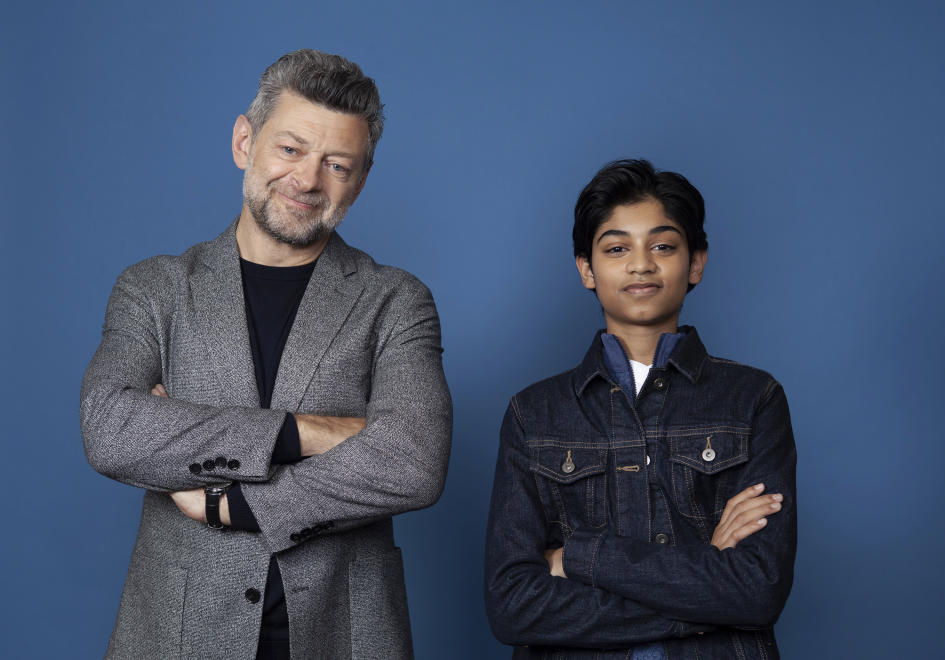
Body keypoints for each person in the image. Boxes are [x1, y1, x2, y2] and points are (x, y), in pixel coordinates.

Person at [80, 49, 452, 660]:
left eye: (338, 164)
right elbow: (110, 427)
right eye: (290, 149)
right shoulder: (154, 288)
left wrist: (235, 503)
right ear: (243, 141)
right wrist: (308, 433)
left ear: (360, 180)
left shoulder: (397, 300)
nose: (308, 180)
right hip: (178, 635)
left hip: (345, 635)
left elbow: (413, 461)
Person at [484, 159, 797, 659]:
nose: (641, 264)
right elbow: (513, 605)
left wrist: (578, 556)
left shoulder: (752, 399)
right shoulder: (533, 413)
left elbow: (757, 591)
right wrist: (704, 580)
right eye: (616, 248)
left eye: (663, 246)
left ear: (695, 261)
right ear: (587, 268)